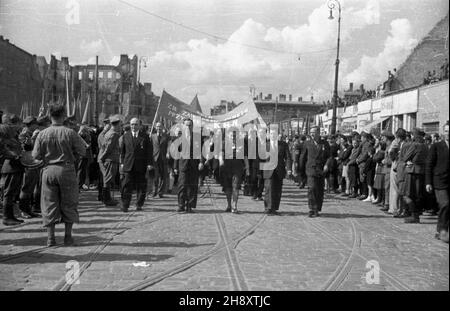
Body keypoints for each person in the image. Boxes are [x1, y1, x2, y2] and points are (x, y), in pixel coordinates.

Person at [32, 104, 86, 246]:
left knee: (49, 204)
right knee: (69, 203)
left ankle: (51, 238)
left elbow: (35, 156)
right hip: (66, 170)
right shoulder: (70, 132)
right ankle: (68, 237)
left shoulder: (42, 134)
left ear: (50, 116)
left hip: (48, 170)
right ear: (63, 116)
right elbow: (83, 151)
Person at [120, 117, 153, 212]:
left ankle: (139, 204)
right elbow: (123, 151)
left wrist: (149, 164)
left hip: (141, 165)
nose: (133, 126)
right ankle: (125, 205)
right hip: (128, 165)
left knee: (141, 186)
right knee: (126, 186)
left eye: (135, 124)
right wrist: (122, 162)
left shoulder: (145, 137)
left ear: (139, 125)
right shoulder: (125, 136)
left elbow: (149, 152)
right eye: (132, 124)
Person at [0, 114, 27, 225]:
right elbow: (4, 150)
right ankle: (7, 217)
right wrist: (15, 155)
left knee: (12, 193)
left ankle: (11, 216)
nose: (19, 126)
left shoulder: (14, 135)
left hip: (15, 166)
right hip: (10, 166)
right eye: (18, 123)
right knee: (8, 193)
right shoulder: (5, 134)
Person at [173, 118, 204, 213]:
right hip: (183, 165)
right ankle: (181, 205)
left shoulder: (197, 137)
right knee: (182, 185)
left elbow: (201, 151)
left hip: (194, 165)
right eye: (186, 125)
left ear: (192, 126)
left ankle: (190, 205)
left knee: (192, 186)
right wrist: (175, 167)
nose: (188, 127)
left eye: (190, 125)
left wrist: (201, 162)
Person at [425, 121, 449, 243]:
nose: (448, 133)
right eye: (446, 131)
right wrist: (428, 182)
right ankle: (442, 230)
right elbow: (429, 165)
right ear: (443, 133)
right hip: (439, 181)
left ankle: (442, 230)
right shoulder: (437, 146)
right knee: (445, 204)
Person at [298, 126, 329, 217]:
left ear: (318, 133)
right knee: (311, 188)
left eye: (314, 132)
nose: (312, 134)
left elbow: (329, 156)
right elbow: (302, 157)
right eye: (311, 132)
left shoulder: (324, 143)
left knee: (319, 190)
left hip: (321, 169)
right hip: (310, 169)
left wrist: (327, 164)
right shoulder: (307, 143)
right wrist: (300, 170)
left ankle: (317, 208)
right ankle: (312, 208)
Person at [219, 129, 249, 213]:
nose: (233, 137)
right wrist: (221, 160)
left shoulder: (242, 144)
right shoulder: (224, 143)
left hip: (238, 166)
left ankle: (234, 206)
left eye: (235, 135)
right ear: (229, 135)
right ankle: (229, 205)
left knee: (236, 186)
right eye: (232, 135)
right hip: (227, 166)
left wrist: (247, 168)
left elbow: (245, 157)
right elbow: (220, 153)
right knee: (228, 188)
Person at [18, 116, 42, 218]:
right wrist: (32, 139)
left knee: (31, 187)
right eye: (35, 124)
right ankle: (23, 210)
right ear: (31, 124)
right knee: (26, 188)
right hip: (27, 164)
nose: (37, 126)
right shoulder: (24, 134)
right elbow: (25, 148)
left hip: (34, 163)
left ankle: (29, 209)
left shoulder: (32, 133)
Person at [263, 131, 291, 215]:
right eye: (271, 134)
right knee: (268, 188)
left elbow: (288, 157)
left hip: (279, 169)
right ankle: (268, 207)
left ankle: (274, 207)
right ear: (268, 135)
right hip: (268, 170)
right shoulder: (265, 145)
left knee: (277, 189)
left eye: (274, 134)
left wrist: (289, 169)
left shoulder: (283, 145)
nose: (272, 135)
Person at [98, 116, 121, 207]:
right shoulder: (114, 134)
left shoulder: (108, 133)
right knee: (107, 179)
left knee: (106, 179)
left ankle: (107, 199)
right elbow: (109, 148)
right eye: (119, 125)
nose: (120, 126)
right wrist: (102, 158)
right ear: (117, 124)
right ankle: (107, 199)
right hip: (110, 159)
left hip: (108, 159)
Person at [151, 122, 170, 198]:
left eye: (160, 126)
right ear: (155, 127)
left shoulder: (166, 137)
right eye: (157, 126)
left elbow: (169, 145)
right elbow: (150, 147)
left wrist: (168, 153)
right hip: (155, 158)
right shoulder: (152, 136)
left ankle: (160, 192)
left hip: (163, 158)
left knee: (163, 176)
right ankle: (154, 191)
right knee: (155, 176)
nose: (159, 128)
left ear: (163, 127)